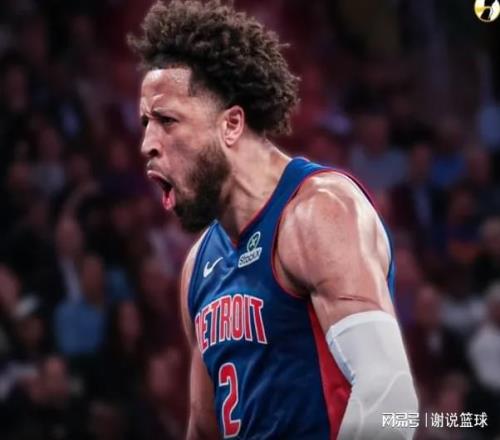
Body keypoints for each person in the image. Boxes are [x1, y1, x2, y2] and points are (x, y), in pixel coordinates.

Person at [130, 1, 418, 439]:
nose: (147, 143)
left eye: (166, 120)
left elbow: (390, 395)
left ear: (231, 124)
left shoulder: (318, 212)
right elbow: (204, 430)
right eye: (145, 123)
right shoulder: (198, 267)